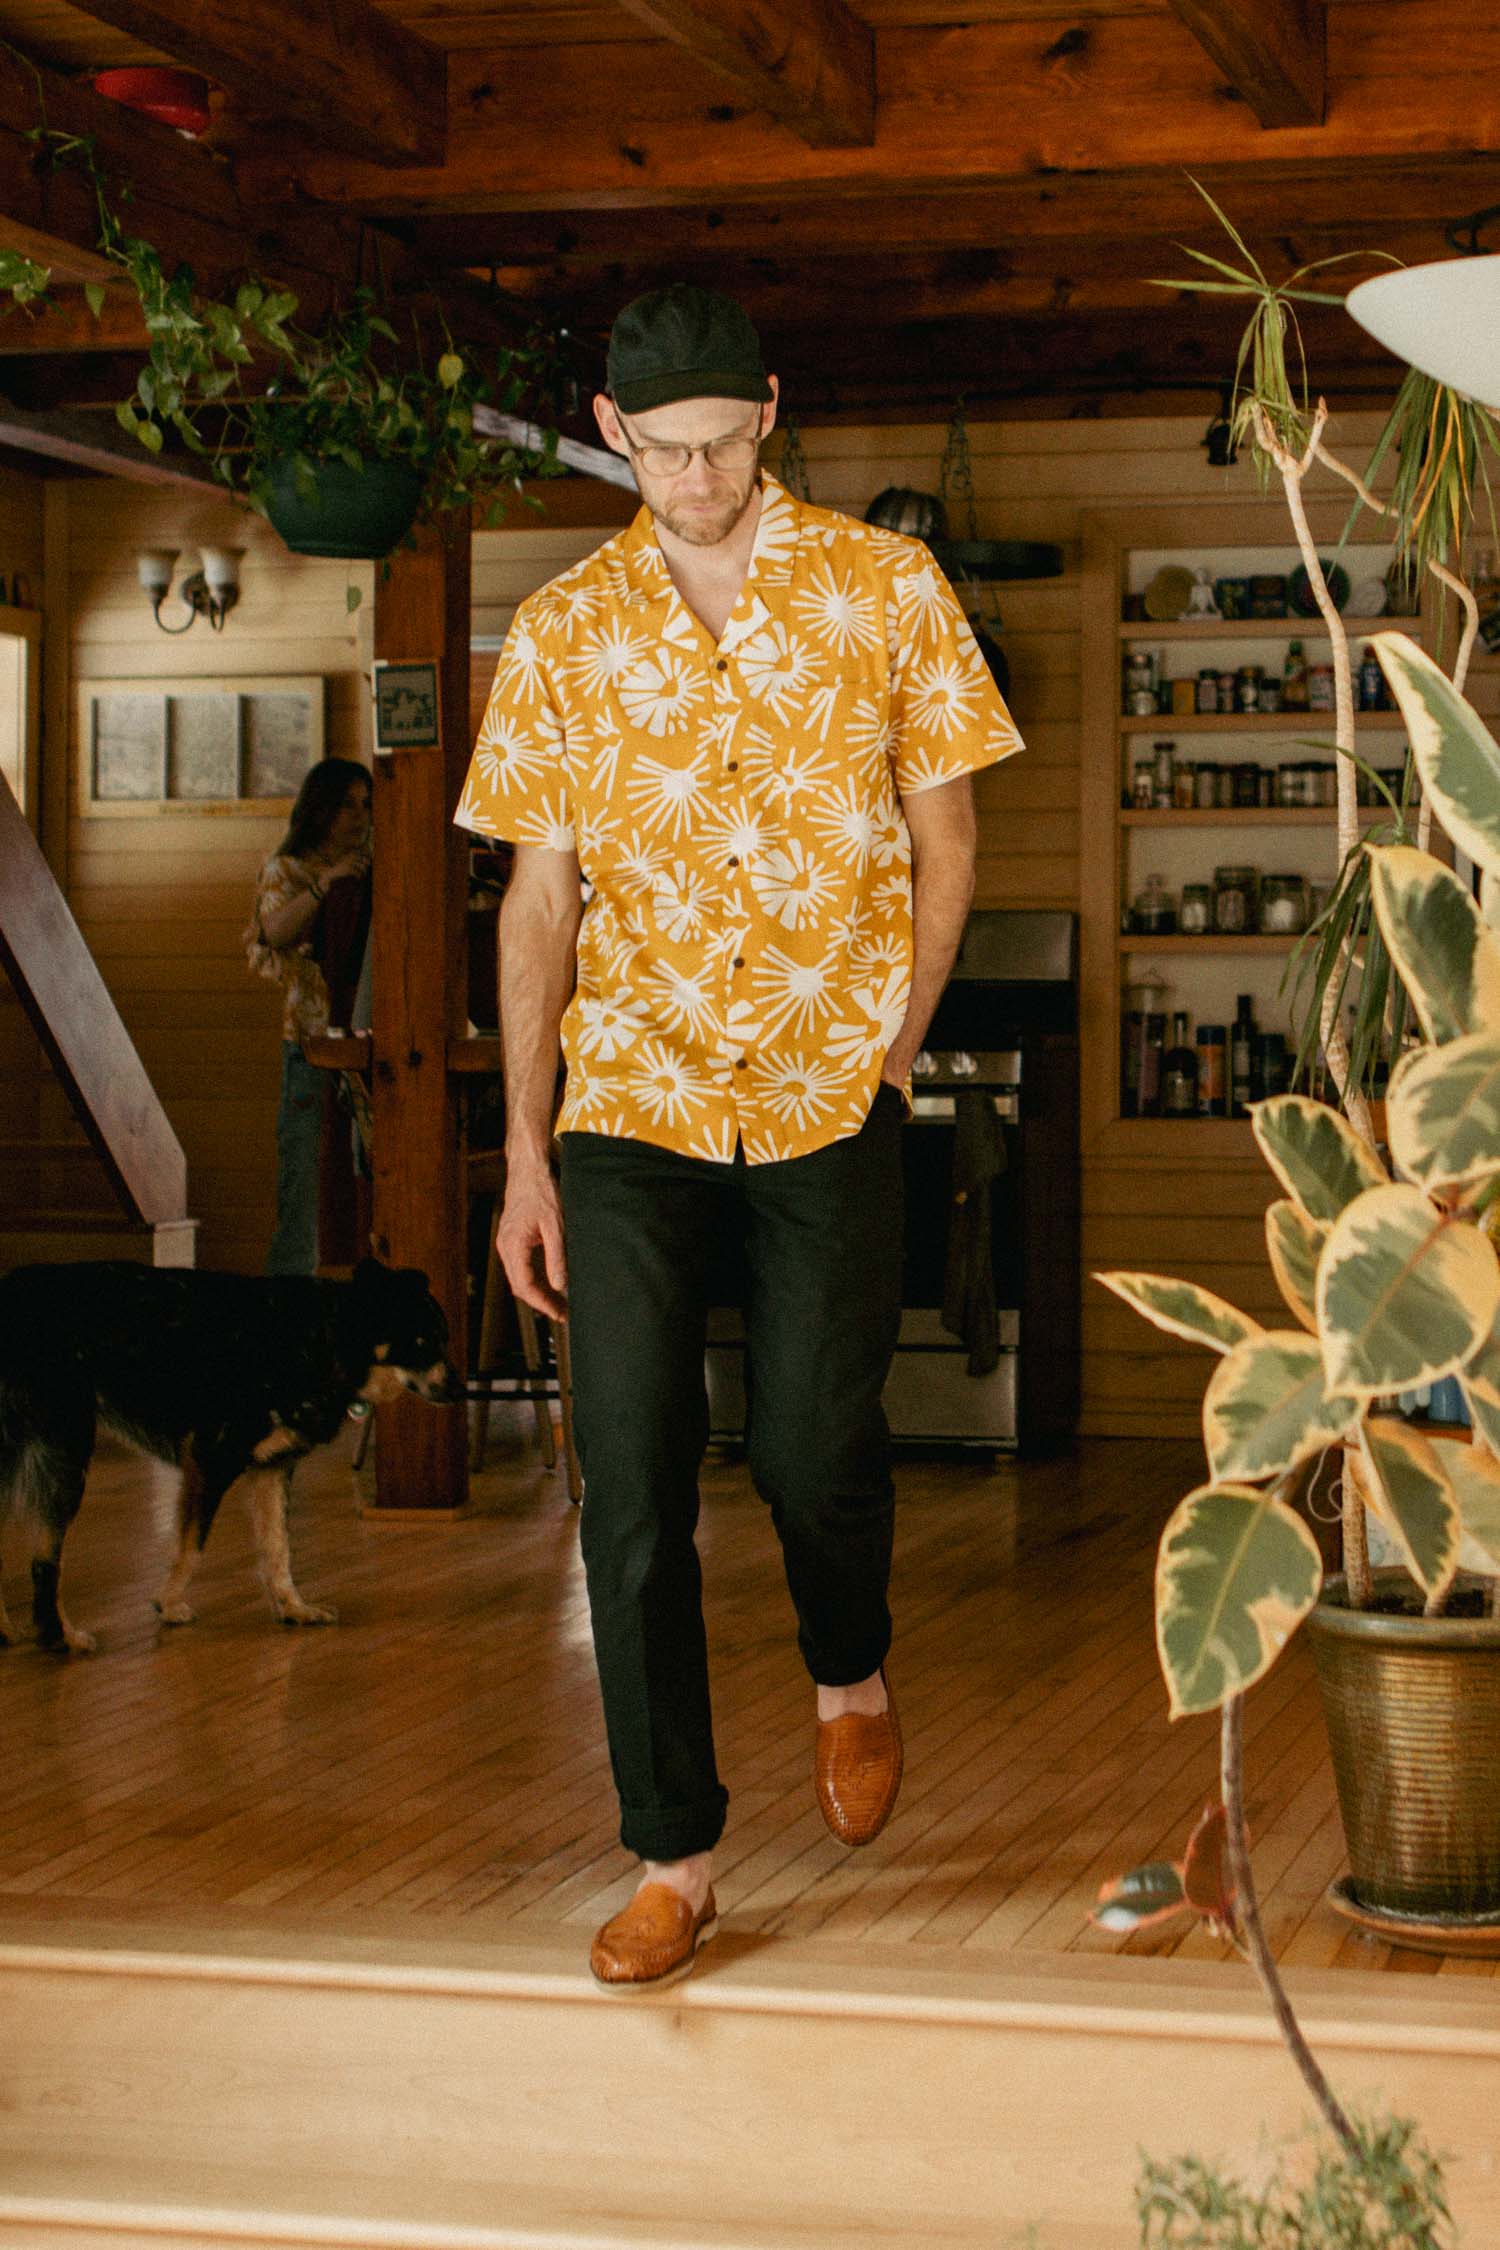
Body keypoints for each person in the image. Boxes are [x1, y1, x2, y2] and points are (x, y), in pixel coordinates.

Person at [455, 284, 1023, 1992]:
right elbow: (539, 902)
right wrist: (527, 1154)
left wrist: (897, 1047)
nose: (697, 477)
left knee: (807, 1442)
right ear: (613, 434)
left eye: (722, 442)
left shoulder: (887, 587)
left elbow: (947, 841)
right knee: (629, 1474)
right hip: (632, 1101)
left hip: (826, 1090)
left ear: (768, 411)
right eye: (664, 450)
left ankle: (849, 1669)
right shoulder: (564, 628)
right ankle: (673, 1857)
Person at [246, 757, 372, 1276]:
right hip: (310, 1041)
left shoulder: (370, 867)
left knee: (355, 1176)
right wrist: (325, 885)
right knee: (303, 1174)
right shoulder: (288, 868)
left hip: (361, 1040)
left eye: (366, 805)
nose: (360, 816)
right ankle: (289, 1296)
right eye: (348, 805)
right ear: (322, 809)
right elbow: (273, 932)